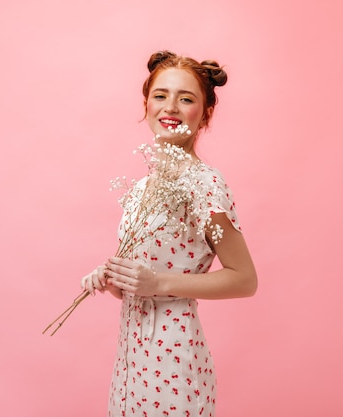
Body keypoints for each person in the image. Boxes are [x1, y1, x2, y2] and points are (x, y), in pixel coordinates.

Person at [81, 50, 258, 417]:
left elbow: (244, 279)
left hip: (173, 358)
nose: (170, 107)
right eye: (161, 95)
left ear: (205, 113)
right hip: (131, 357)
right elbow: (141, 277)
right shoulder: (143, 186)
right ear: (146, 104)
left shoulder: (205, 184)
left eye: (186, 98)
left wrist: (158, 283)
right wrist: (114, 279)